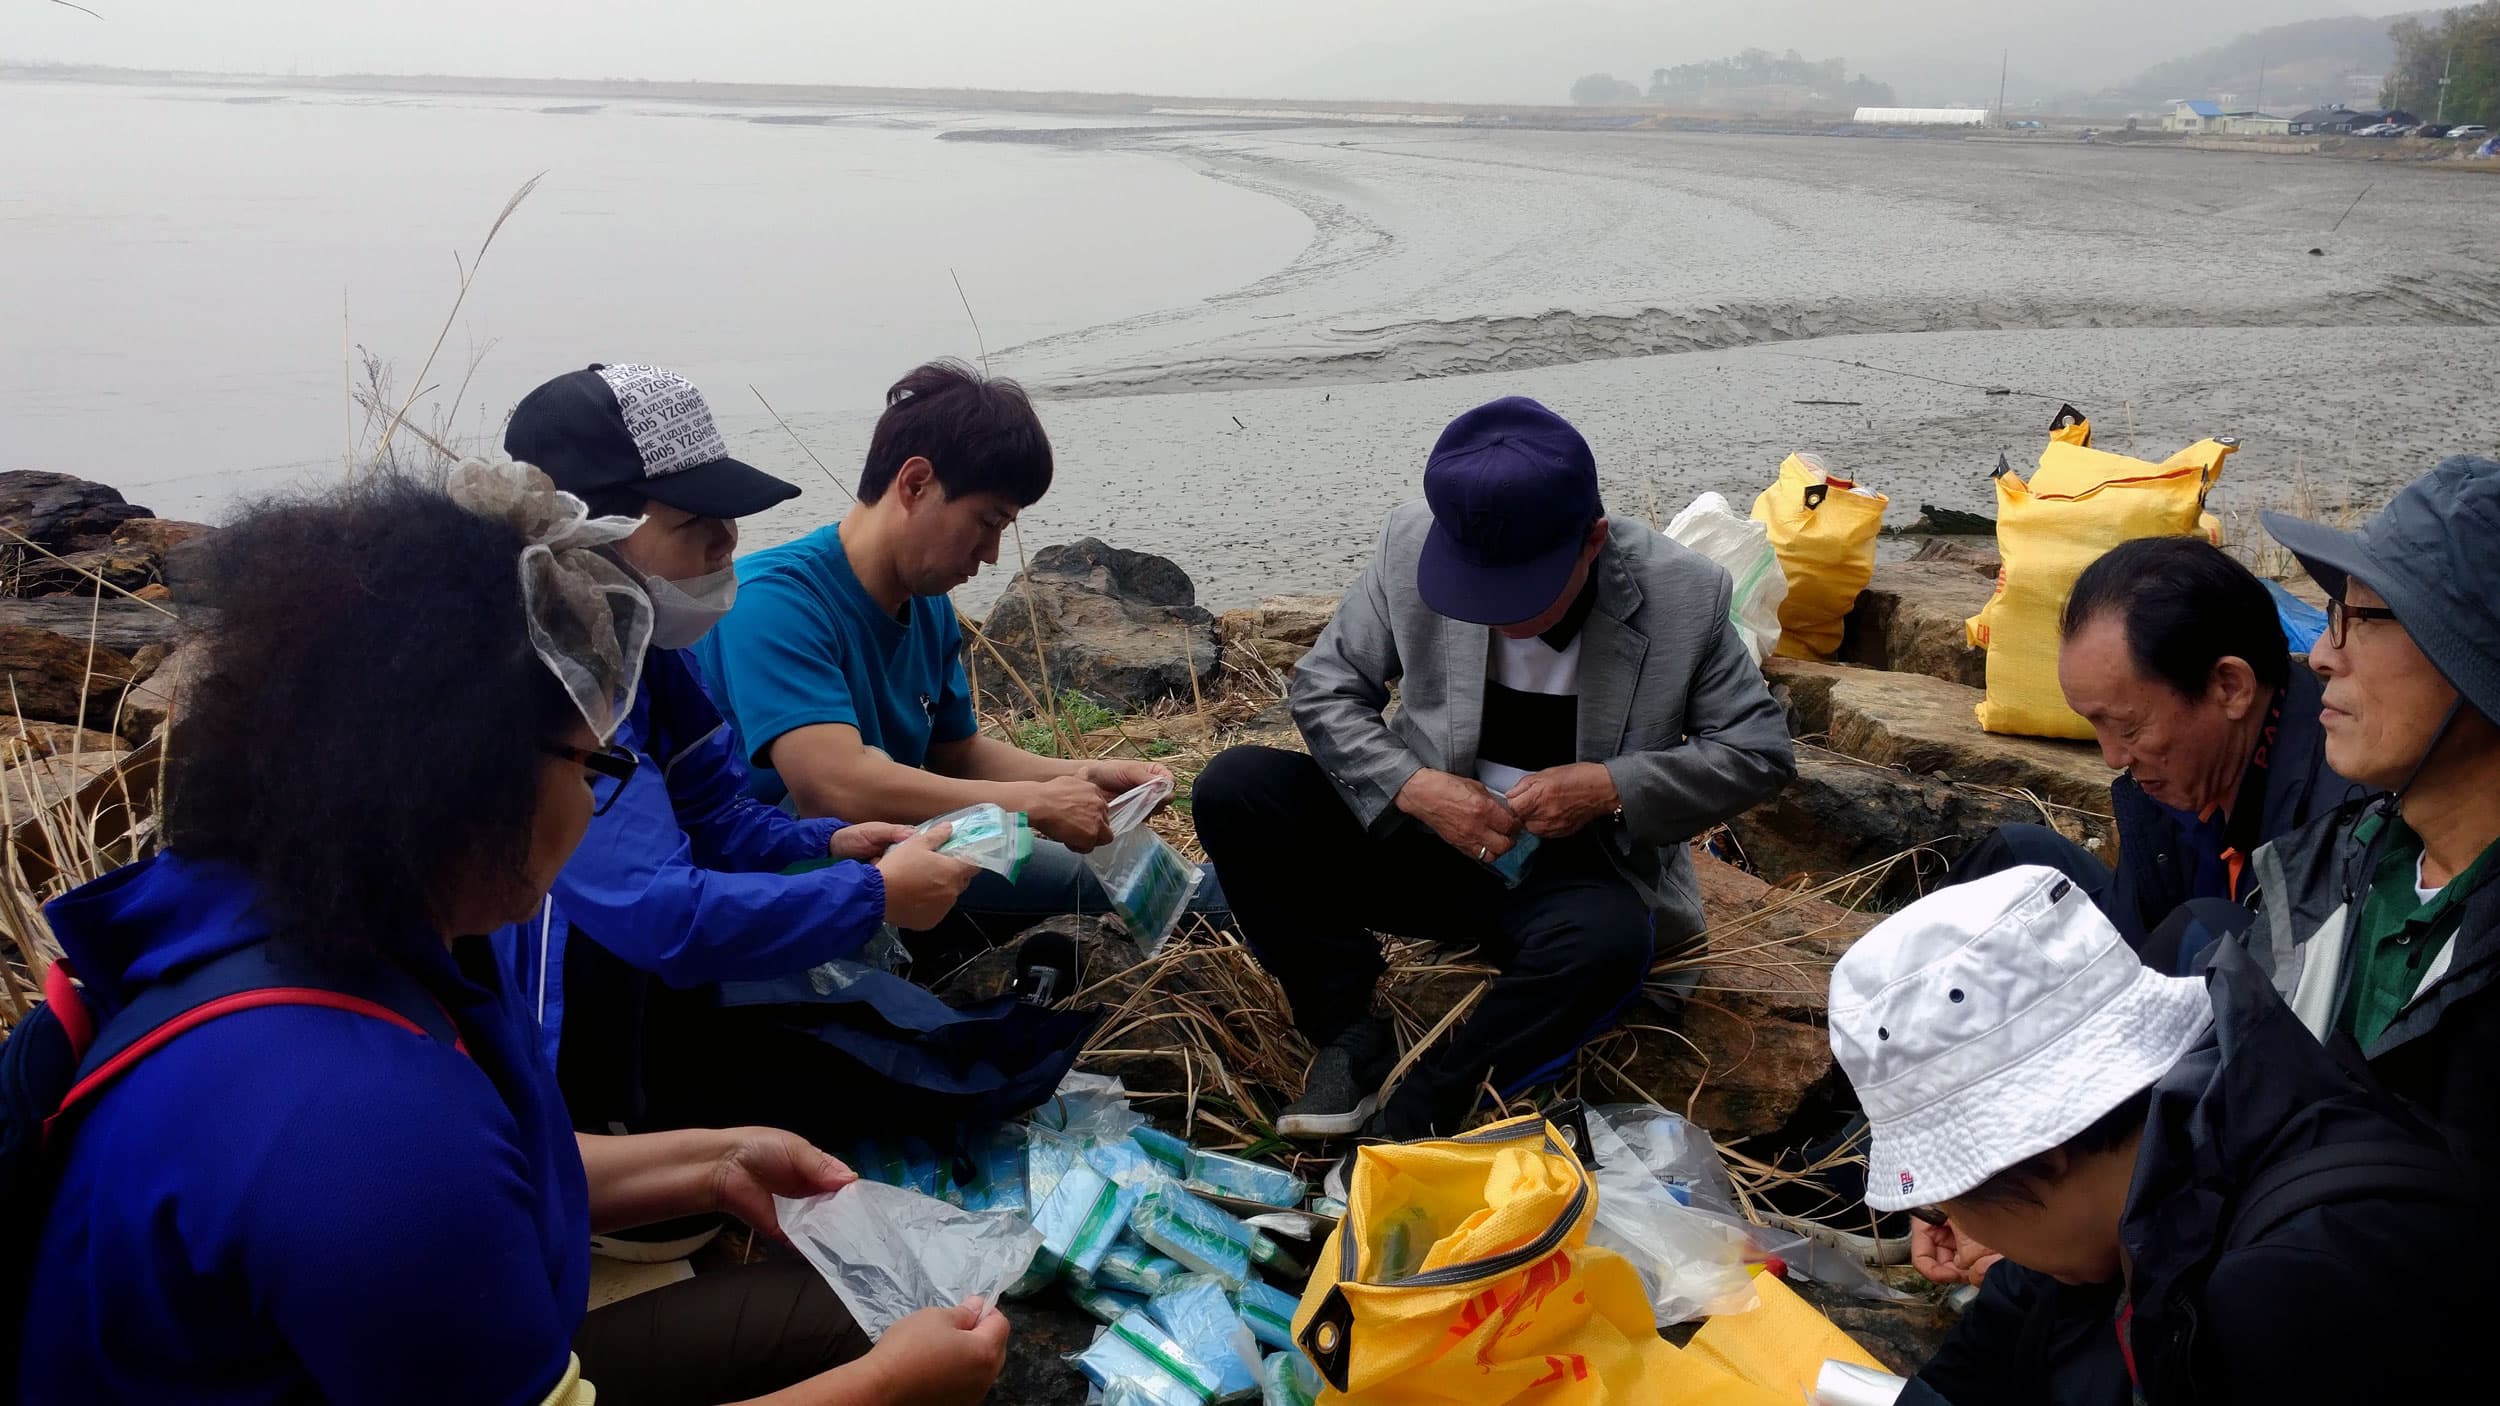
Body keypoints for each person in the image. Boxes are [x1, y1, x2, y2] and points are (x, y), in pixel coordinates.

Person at [19, 467, 1007, 1405]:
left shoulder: (275, 915)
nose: (589, 801)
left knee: (856, 1310)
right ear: (467, 775)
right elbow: (408, 1182)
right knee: (890, 1349)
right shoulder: (360, 1122)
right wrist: (894, 1388)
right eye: (589, 765)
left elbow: (490, 1165)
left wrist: (715, 1160)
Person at [1193, 397, 1795, 1141]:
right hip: (1422, 835)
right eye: (1475, 591)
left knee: (1610, 942)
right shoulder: (1410, 544)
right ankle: (1347, 1031)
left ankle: (1425, 1110)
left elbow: (1759, 752)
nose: (1493, 616)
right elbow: (1324, 688)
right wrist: (1414, 787)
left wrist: (1611, 788)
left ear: (1593, 541)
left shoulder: (1684, 593)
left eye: (1522, 596)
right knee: (1236, 788)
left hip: (1569, 871)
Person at [487, 363, 979, 1150]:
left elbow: (713, 810)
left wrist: (828, 843)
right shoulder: (546, 688)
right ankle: (600, 1135)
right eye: (695, 524)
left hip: (646, 977)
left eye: (729, 518)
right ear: (588, 533)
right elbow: (657, 913)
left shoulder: (643, 644)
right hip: (554, 1025)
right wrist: (873, 896)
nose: (727, 546)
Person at [1833, 867, 2482, 1406]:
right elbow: (1973, 1373)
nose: (1948, 1222)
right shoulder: (2118, 1215)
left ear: (2039, 1152)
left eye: (1940, 1196)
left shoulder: (2306, 1282)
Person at [695, 358, 1213, 941]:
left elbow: (957, 754)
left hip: (908, 845)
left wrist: (1086, 775)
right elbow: (833, 787)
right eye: (986, 522)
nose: (991, 554)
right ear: (915, 485)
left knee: (1170, 888)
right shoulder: (773, 603)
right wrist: (1036, 804)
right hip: (784, 886)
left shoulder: (926, 600)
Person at [2235, 454, 2500, 1167]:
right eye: (2328, 617)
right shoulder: (2322, 871)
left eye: (2361, 619)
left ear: (2472, 659)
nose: (2321, 653)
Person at [1953, 536, 2347, 969]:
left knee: (2210, 929)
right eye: (2095, 726)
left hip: (2237, 1014)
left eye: (2127, 726)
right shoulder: (2186, 780)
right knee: (2014, 856)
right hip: (2159, 947)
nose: (2112, 757)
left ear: (2230, 688)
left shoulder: (2336, 823)